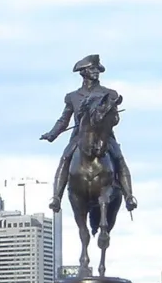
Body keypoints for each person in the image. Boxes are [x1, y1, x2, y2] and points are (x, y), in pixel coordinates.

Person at [40, 54, 138, 213]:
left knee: (119, 158)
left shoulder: (109, 94)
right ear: (83, 72)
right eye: (92, 69)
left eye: (97, 69)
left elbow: (115, 118)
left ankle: (129, 196)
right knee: (65, 158)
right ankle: (56, 197)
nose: (96, 72)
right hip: (80, 136)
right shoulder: (73, 96)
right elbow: (64, 120)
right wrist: (51, 135)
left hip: (105, 136)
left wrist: (109, 119)